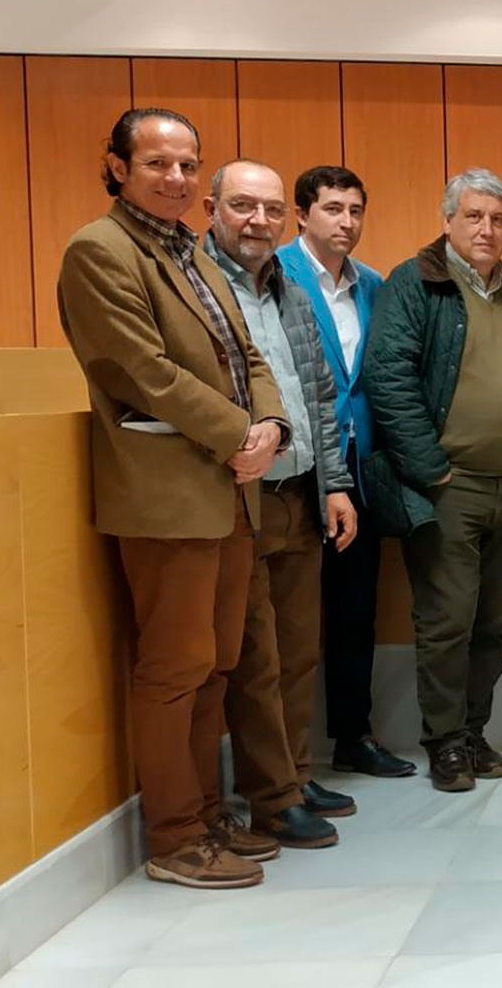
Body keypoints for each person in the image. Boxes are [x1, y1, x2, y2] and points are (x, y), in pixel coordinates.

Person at [56, 108, 288, 888]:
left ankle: (209, 815)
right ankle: (175, 835)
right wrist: (239, 434)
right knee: (174, 667)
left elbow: (248, 355)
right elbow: (141, 371)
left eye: (188, 164)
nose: (177, 178)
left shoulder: (191, 252)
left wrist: (272, 426)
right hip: (167, 495)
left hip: (229, 491)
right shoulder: (100, 251)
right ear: (117, 166)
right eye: (158, 163)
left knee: (217, 664)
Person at [363, 167, 502, 793]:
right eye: (473, 216)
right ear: (447, 221)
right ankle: (443, 740)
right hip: (448, 485)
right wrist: (431, 470)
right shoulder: (415, 283)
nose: (486, 229)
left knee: (494, 622)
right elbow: (388, 377)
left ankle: (473, 731)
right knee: (446, 620)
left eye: (498, 219)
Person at [204, 160, 360, 849]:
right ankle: (270, 796)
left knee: (297, 650)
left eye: (269, 209)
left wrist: (335, 484)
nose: (258, 221)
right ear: (212, 208)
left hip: (300, 489)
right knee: (256, 655)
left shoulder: (290, 291)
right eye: (244, 206)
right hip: (239, 496)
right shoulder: (199, 286)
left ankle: (295, 776)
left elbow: (319, 395)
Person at [275, 166, 416, 780]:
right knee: (288, 618)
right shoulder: (274, 273)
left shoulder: (373, 285)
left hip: (360, 470)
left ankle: (354, 735)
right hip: (293, 466)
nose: (347, 221)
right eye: (333, 208)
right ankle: (282, 763)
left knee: (356, 609)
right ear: (302, 214)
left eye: (356, 210)